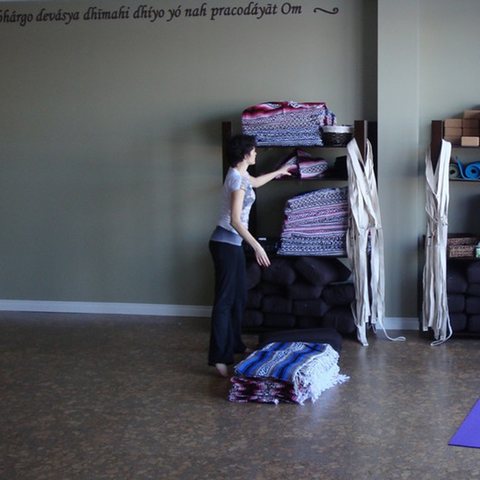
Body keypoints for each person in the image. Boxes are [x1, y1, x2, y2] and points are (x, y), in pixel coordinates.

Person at [208, 134, 293, 377]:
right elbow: (235, 220)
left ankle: (235, 345)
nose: (256, 154)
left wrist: (279, 171)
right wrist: (257, 246)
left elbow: (255, 182)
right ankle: (219, 358)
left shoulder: (240, 175)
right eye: (254, 151)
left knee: (238, 297)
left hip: (232, 245)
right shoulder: (237, 181)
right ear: (246, 154)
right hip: (224, 244)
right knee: (224, 302)